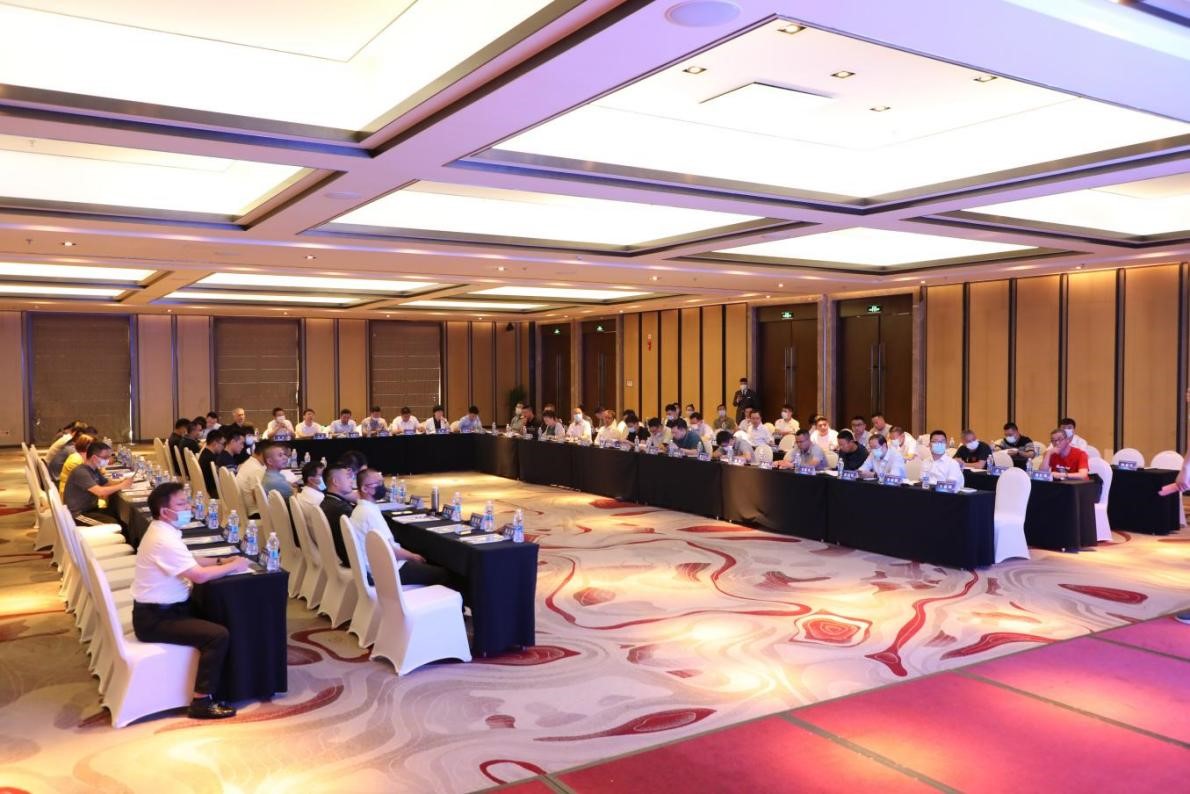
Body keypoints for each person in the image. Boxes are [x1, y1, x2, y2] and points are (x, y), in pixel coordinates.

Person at [131, 483, 251, 720]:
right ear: (165, 511)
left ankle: (227, 683)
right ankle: (201, 701)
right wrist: (234, 566)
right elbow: (198, 576)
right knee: (217, 635)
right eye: (181, 504)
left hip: (166, 609)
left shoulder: (163, 530)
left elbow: (189, 560)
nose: (188, 507)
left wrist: (222, 560)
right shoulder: (163, 539)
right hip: (155, 619)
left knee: (217, 613)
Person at [350, 469, 450, 586]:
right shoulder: (369, 513)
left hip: (377, 567)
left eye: (382, 482)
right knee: (444, 575)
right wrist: (412, 557)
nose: (382, 486)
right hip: (389, 571)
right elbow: (389, 550)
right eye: (378, 483)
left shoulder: (360, 509)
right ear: (364, 489)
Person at [64, 441, 131, 524]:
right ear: (94, 458)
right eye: (105, 457)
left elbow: (106, 483)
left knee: (120, 518)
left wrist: (122, 481)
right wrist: (122, 485)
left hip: (92, 510)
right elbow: (100, 492)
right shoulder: (81, 472)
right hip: (78, 515)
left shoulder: (94, 469)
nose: (108, 460)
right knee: (113, 524)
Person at [321, 464, 360, 567]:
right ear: (335, 482)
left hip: (335, 557)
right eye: (348, 477)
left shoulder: (327, 501)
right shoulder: (342, 509)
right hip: (351, 561)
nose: (352, 481)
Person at [234, 442, 267, 514]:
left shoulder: (249, 462)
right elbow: (258, 499)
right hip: (255, 512)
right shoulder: (257, 469)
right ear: (264, 453)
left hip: (244, 509)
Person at [197, 429, 224, 494]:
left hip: (206, 488)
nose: (223, 447)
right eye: (222, 444)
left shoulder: (205, 452)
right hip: (212, 492)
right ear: (214, 443)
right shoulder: (211, 459)